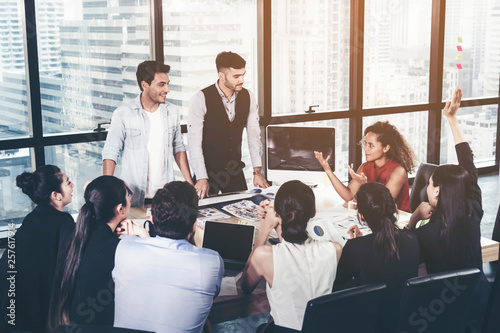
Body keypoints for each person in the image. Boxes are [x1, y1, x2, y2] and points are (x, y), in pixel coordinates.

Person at [112, 181, 224, 333]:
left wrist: (144, 235)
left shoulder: (124, 248)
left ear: (152, 219)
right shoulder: (212, 262)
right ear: (194, 225)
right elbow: (211, 295)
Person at [48, 176, 148, 331]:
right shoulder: (119, 249)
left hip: (63, 324)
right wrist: (144, 235)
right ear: (120, 209)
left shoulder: (67, 231)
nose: (130, 200)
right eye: (128, 197)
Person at [239, 180, 342, 331]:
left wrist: (265, 228)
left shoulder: (264, 255)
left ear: (277, 215)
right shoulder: (335, 250)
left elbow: (244, 286)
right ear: (313, 212)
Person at [407, 87, 482, 274]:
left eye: (430, 184)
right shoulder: (473, 209)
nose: (428, 188)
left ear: (438, 191)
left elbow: (404, 252)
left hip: (439, 300)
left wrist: (414, 218)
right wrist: (452, 120)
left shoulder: (426, 233)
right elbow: (468, 163)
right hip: (478, 298)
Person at [102, 60, 194, 207]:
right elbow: (110, 153)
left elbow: (178, 148)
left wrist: (190, 185)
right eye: (161, 84)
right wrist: (106, 192)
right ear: (145, 85)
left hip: (165, 196)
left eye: (167, 83)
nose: (167, 89)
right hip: (132, 197)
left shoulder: (172, 112)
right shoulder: (123, 114)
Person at [334, 182, 420, 331]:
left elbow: (337, 281)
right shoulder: (412, 239)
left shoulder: (356, 248)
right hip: (404, 320)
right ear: (393, 207)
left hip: (369, 322)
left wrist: (354, 245)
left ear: (361, 215)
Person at [0, 165, 74, 332]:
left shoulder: (32, 217)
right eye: (68, 182)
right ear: (56, 195)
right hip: (32, 309)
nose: (72, 186)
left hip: (9, 301)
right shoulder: (63, 221)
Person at [188, 51, 269, 199]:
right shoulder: (201, 98)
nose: (242, 80)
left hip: (234, 172)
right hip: (207, 174)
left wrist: (257, 172)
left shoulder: (248, 96)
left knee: (242, 216)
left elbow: (253, 135)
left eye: (243, 74)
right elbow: (194, 143)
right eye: (236, 76)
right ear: (221, 75)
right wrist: (201, 177)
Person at [315, 121, 416, 212]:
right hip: (374, 219)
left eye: (371, 145)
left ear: (385, 148)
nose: (365, 149)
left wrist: (365, 185)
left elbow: (383, 204)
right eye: (366, 144)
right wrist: (327, 169)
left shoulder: (398, 171)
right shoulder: (366, 166)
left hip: (399, 221)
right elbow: (348, 195)